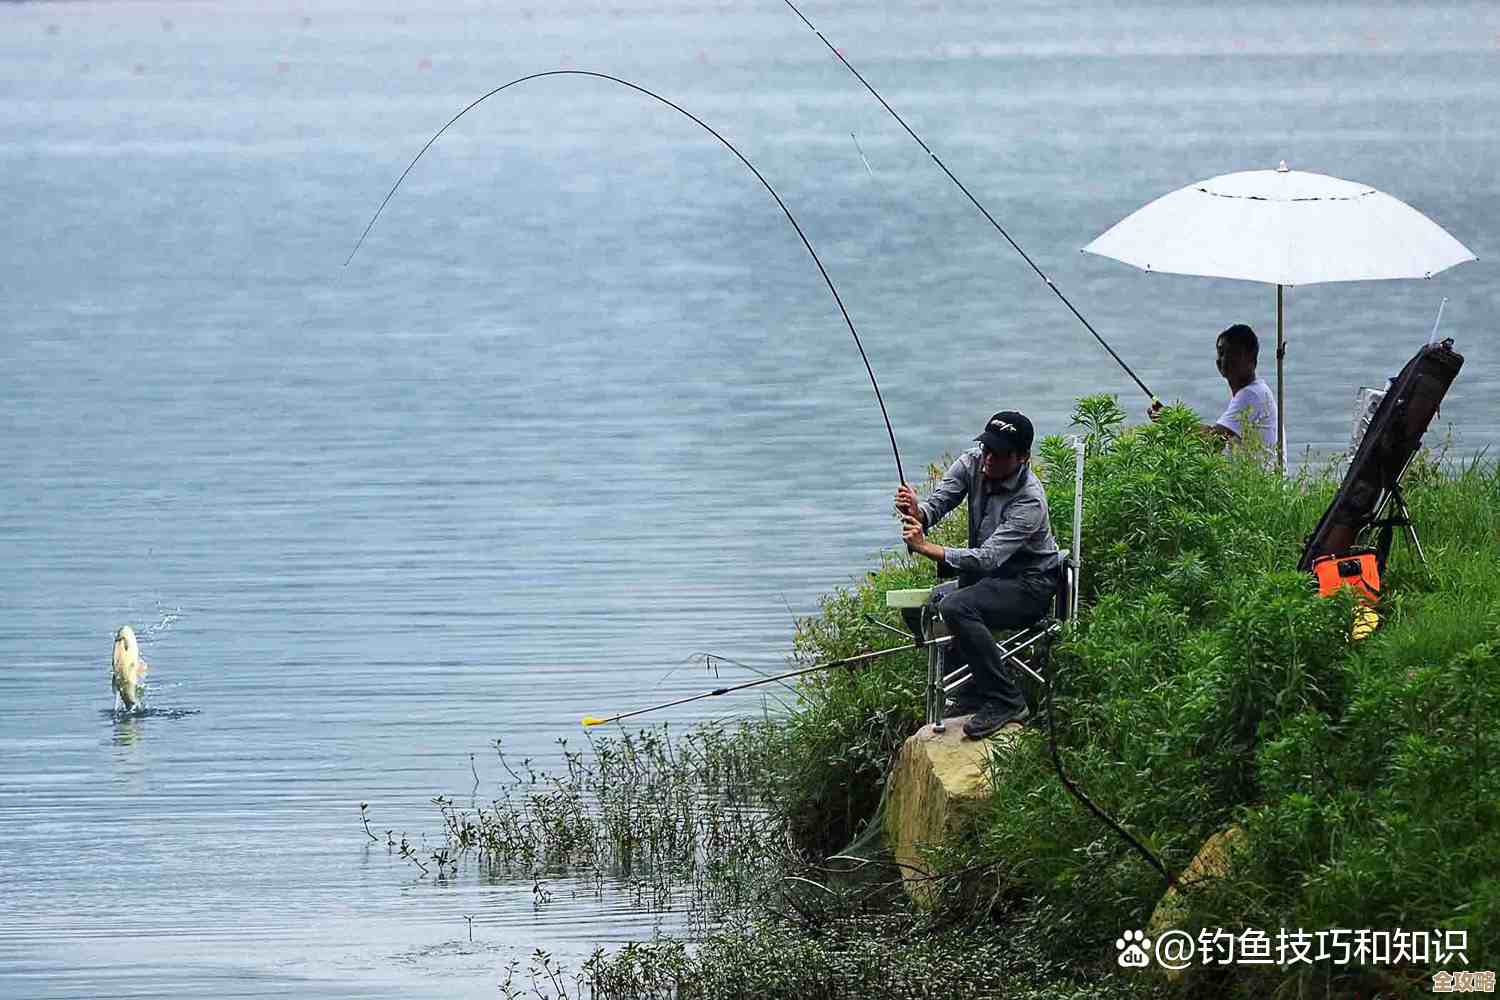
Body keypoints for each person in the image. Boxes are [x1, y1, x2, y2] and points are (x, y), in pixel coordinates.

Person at [894, 410, 1061, 739]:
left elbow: (986, 558)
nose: (988, 458)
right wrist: (918, 512)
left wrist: (927, 547)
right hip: (988, 580)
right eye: (986, 448)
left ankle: (1006, 699)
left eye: (999, 454)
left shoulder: (1029, 500)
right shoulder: (973, 462)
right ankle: (972, 691)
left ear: (1022, 458)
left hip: (1029, 584)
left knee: (958, 607)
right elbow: (938, 503)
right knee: (924, 607)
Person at [1150, 323, 1279, 464]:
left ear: (1250, 358)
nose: (1222, 360)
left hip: (1258, 484)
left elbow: (1212, 442)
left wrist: (1172, 421)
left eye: (1231, 353)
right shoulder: (1257, 391)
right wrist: (1172, 418)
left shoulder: (1251, 395)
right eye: (1220, 353)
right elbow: (1215, 433)